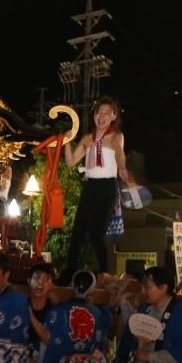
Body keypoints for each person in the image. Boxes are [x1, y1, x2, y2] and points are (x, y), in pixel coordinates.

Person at [61, 96, 129, 283]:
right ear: (94, 115)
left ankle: (104, 271)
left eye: (107, 113)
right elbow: (71, 162)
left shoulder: (116, 136)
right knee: (78, 230)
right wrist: (66, 142)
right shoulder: (87, 139)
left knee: (96, 233)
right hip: (89, 186)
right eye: (99, 112)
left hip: (107, 186)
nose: (102, 116)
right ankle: (69, 270)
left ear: (113, 116)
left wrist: (122, 168)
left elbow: (119, 154)